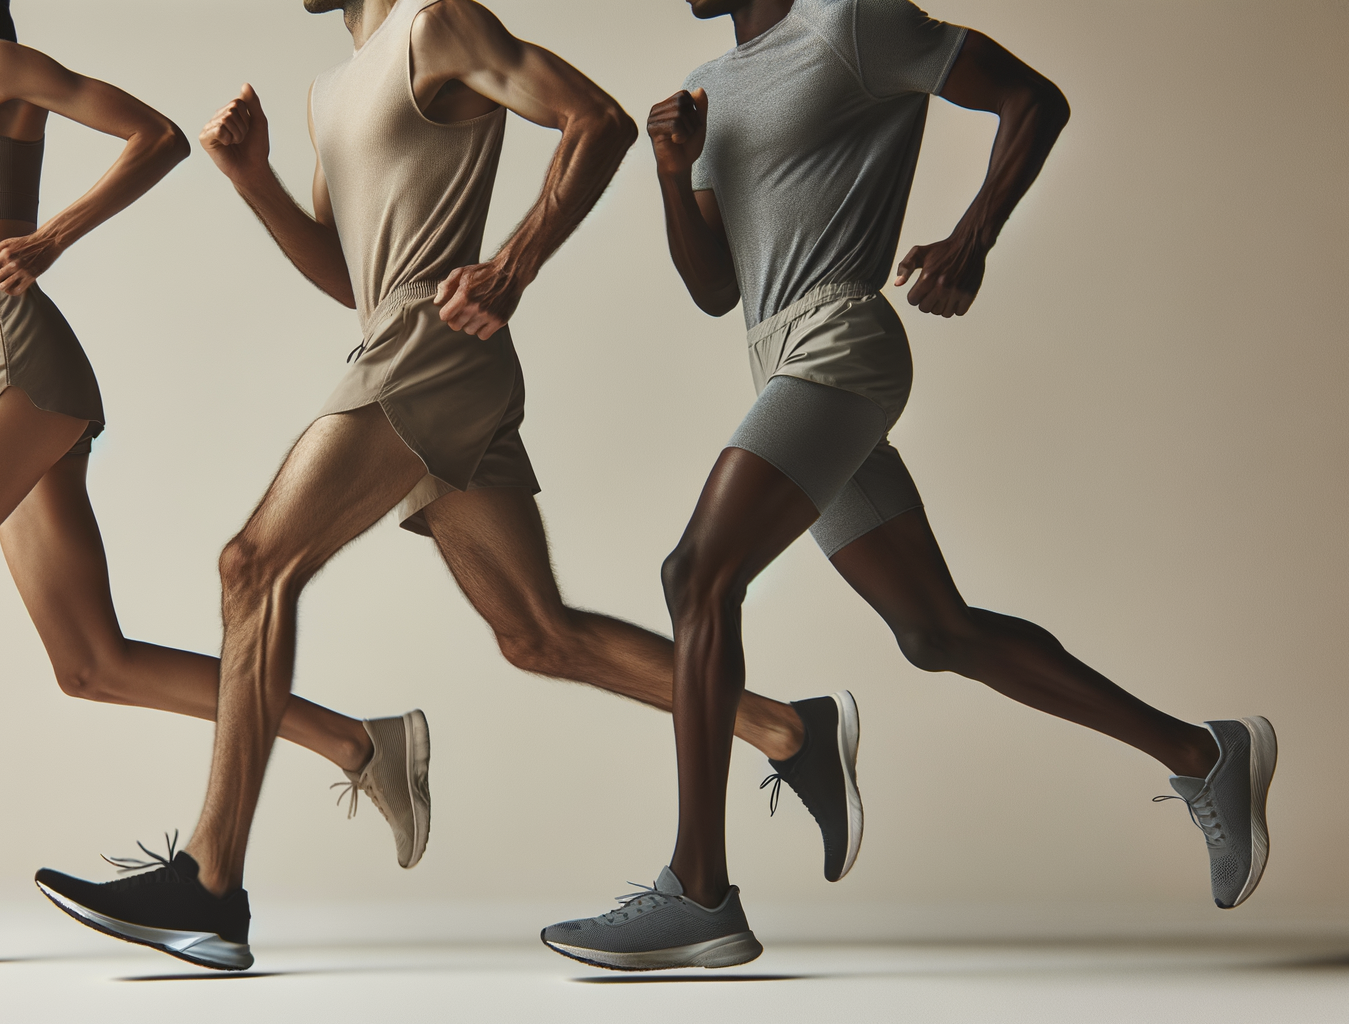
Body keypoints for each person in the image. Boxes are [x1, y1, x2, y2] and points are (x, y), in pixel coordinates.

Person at [31, 0, 860, 972]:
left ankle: (209, 884)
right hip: (402, 342)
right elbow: (350, 277)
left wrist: (513, 265)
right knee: (536, 636)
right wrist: (252, 182)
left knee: (252, 566)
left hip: (434, 352)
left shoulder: (439, 25)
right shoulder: (333, 88)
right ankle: (786, 728)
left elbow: (592, 121)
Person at [540, 0, 1277, 972]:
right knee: (936, 632)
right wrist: (673, 178)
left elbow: (1031, 100)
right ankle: (1204, 754)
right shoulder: (708, 91)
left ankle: (699, 891)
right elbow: (716, 286)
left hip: (839, 344)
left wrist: (971, 236)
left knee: (697, 576)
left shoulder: (848, 22)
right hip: (779, 362)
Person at [0, 0, 420, 971]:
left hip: (20, 366)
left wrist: (52, 240)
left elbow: (155, 136)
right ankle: (362, 743)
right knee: (92, 662)